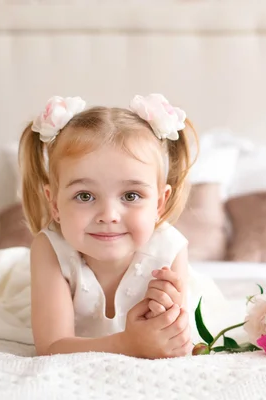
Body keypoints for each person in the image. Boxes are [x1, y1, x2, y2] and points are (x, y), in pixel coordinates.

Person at [19, 94, 203, 359]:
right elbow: (51, 347)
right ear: (55, 204)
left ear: (160, 204)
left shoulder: (170, 249)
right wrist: (128, 345)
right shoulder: (50, 248)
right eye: (85, 196)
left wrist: (164, 321)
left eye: (131, 196)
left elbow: (175, 344)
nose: (108, 215)